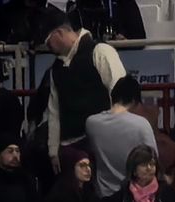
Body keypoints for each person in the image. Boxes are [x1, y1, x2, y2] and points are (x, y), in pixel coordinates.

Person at [41, 6, 125, 165]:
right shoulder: (55, 69)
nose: (47, 47)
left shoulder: (100, 51)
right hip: (69, 148)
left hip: (102, 141)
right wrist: (53, 151)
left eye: (48, 41)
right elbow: (54, 111)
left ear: (59, 33)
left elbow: (119, 95)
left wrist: (118, 137)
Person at [85, 75, 154, 198]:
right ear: (134, 101)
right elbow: (153, 160)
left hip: (103, 195)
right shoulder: (142, 125)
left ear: (112, 97)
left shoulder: (91, 123)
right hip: (133, 197)